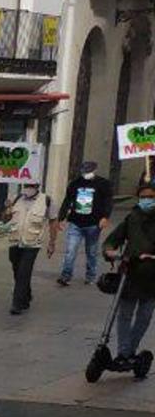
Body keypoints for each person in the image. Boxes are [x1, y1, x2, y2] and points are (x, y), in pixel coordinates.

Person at [102, 180, 155, 377]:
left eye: (151, 197)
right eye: (143, 197)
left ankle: (130, 349)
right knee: (124, 314)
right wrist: (108, 249)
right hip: (131, 272)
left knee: (144, 316)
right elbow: (115, 237)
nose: (147, 200)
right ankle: (123, 352)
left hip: (152, 277)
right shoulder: (132, 217)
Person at [3, 178, 56, 315]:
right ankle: (26, 295)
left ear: (37, 186)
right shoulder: (16, 199)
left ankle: (17, 303)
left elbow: (53, 222)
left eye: (31, 186)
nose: (28, 188)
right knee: (16, 269)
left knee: (23, 272)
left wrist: (52, 243)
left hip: (32, 243)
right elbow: (5, 219)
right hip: (15, 241)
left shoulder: (47, 201)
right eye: (26, 185)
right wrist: (7, 209)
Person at [57, 161, 113, 287]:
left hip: (93, 224)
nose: (85, 174)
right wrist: (61, 218)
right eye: (84, 171)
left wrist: (105, 217)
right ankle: (66, 276)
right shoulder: (75, 184)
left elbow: (108, 202)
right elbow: (67, 201)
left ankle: (91, 276)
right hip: (75, 223)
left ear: (94, 170)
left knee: (91, 252)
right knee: (70, 251)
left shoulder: (103, 184)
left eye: (88, 171)